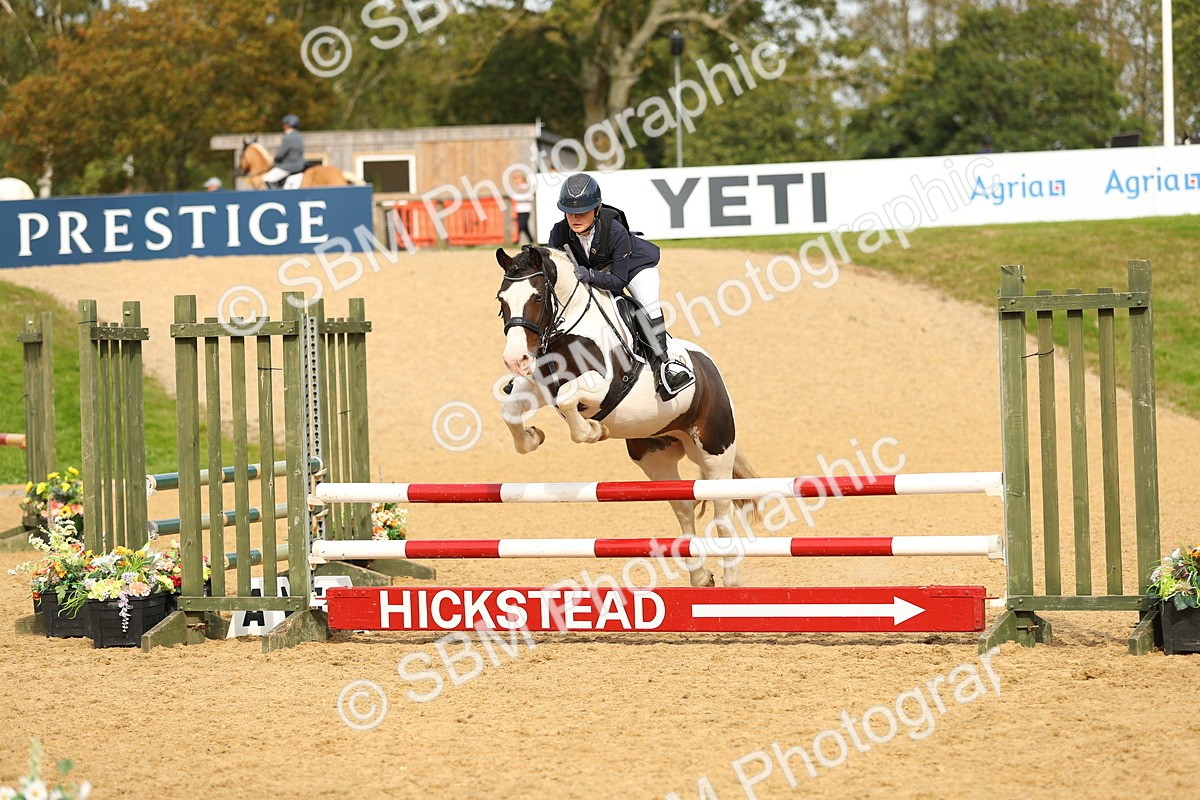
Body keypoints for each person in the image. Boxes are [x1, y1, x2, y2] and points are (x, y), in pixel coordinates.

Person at [548, 173, 695, 398]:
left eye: (582, 212)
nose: (575, 218)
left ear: (597, 210)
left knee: (647, 303)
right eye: (570, 213)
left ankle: (664, 366)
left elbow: (618, 281)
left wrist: (590, 275)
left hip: (633, 268)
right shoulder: (559, 233)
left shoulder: (615, 231)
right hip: (595, 271)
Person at [261, 114, 306, 189]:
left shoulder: (288, 138)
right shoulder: (299, 137)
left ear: (286, 125)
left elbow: (279, 155)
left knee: (267, 179)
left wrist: (275, 160)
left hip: (288, 166)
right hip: (300, 165)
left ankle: (276, 194)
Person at [511, 172, 535, 244]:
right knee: (524, 227)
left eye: (518, 178)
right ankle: (531, 240)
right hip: (519, 210)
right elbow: (513, 197)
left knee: (521, 225)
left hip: (526, 209)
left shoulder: (526, 187)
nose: (516, 180)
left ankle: (516, 240)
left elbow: (530, 197)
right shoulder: (516, 188)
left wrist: (521, 196)